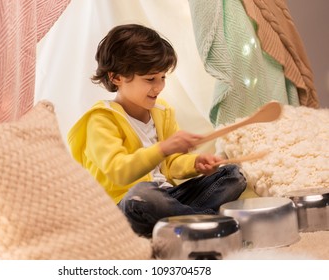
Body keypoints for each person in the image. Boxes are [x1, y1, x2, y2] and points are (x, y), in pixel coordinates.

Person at [67, 24, 246, 237]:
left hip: (166, 198)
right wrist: (163, 148)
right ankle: (204, 225)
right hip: (123, 208)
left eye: (162, 77)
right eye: (150, 79)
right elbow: (119, 171)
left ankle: (187, 223)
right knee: (143, 195)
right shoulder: (101, 120)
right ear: (116, 78)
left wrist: (195, 164)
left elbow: (170, 166)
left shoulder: (162, 112)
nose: (159, 86)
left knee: (232, 175)